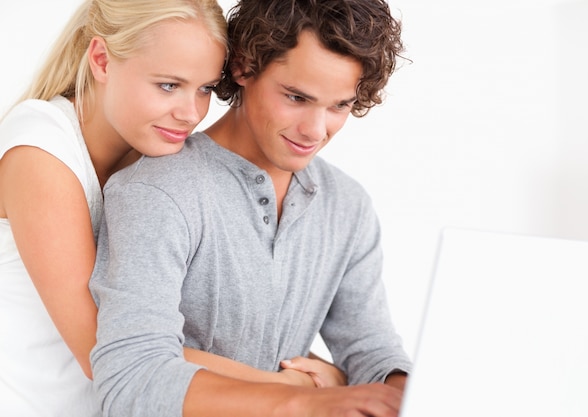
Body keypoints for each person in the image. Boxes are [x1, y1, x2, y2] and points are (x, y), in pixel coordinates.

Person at [0, 1, 339, 416]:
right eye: (168, 85)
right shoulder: (40, 149)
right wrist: (288, 385)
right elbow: (106, 351)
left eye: (204, 89)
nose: (190, 113)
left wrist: (318, 368)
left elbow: (174, 325)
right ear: (102, 61)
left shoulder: (150, 155)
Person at [89, 0, 412, 416]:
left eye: (339, 106)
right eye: (296, 97)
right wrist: (308, 401)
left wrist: (405, 395)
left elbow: (371, 349)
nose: (315, 131)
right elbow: (130, 382)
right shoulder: (156, 190)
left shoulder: (347, 206)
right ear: (243, 66)